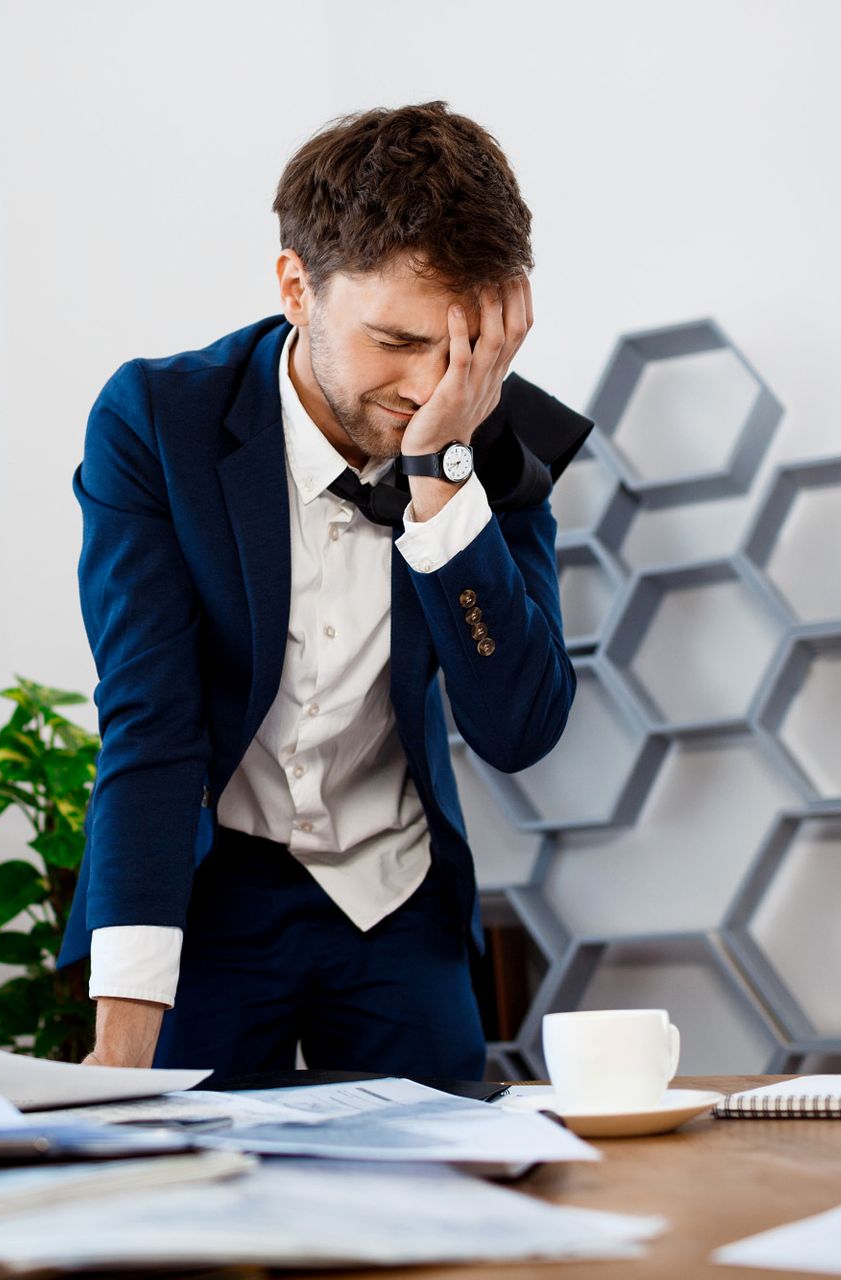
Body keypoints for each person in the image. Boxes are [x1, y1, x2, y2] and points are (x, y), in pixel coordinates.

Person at [60, 101, 584, 1080]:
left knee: (445, 1199)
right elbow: (153, 723)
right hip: (216, 886)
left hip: (396, 890)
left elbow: (520, 727)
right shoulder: (155, 424)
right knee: (180, 1192)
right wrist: (119, 1055)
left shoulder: (489, 433)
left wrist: (443, 477)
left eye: (461, 345)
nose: (432, 382)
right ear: (296, 287)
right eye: (395, 339)